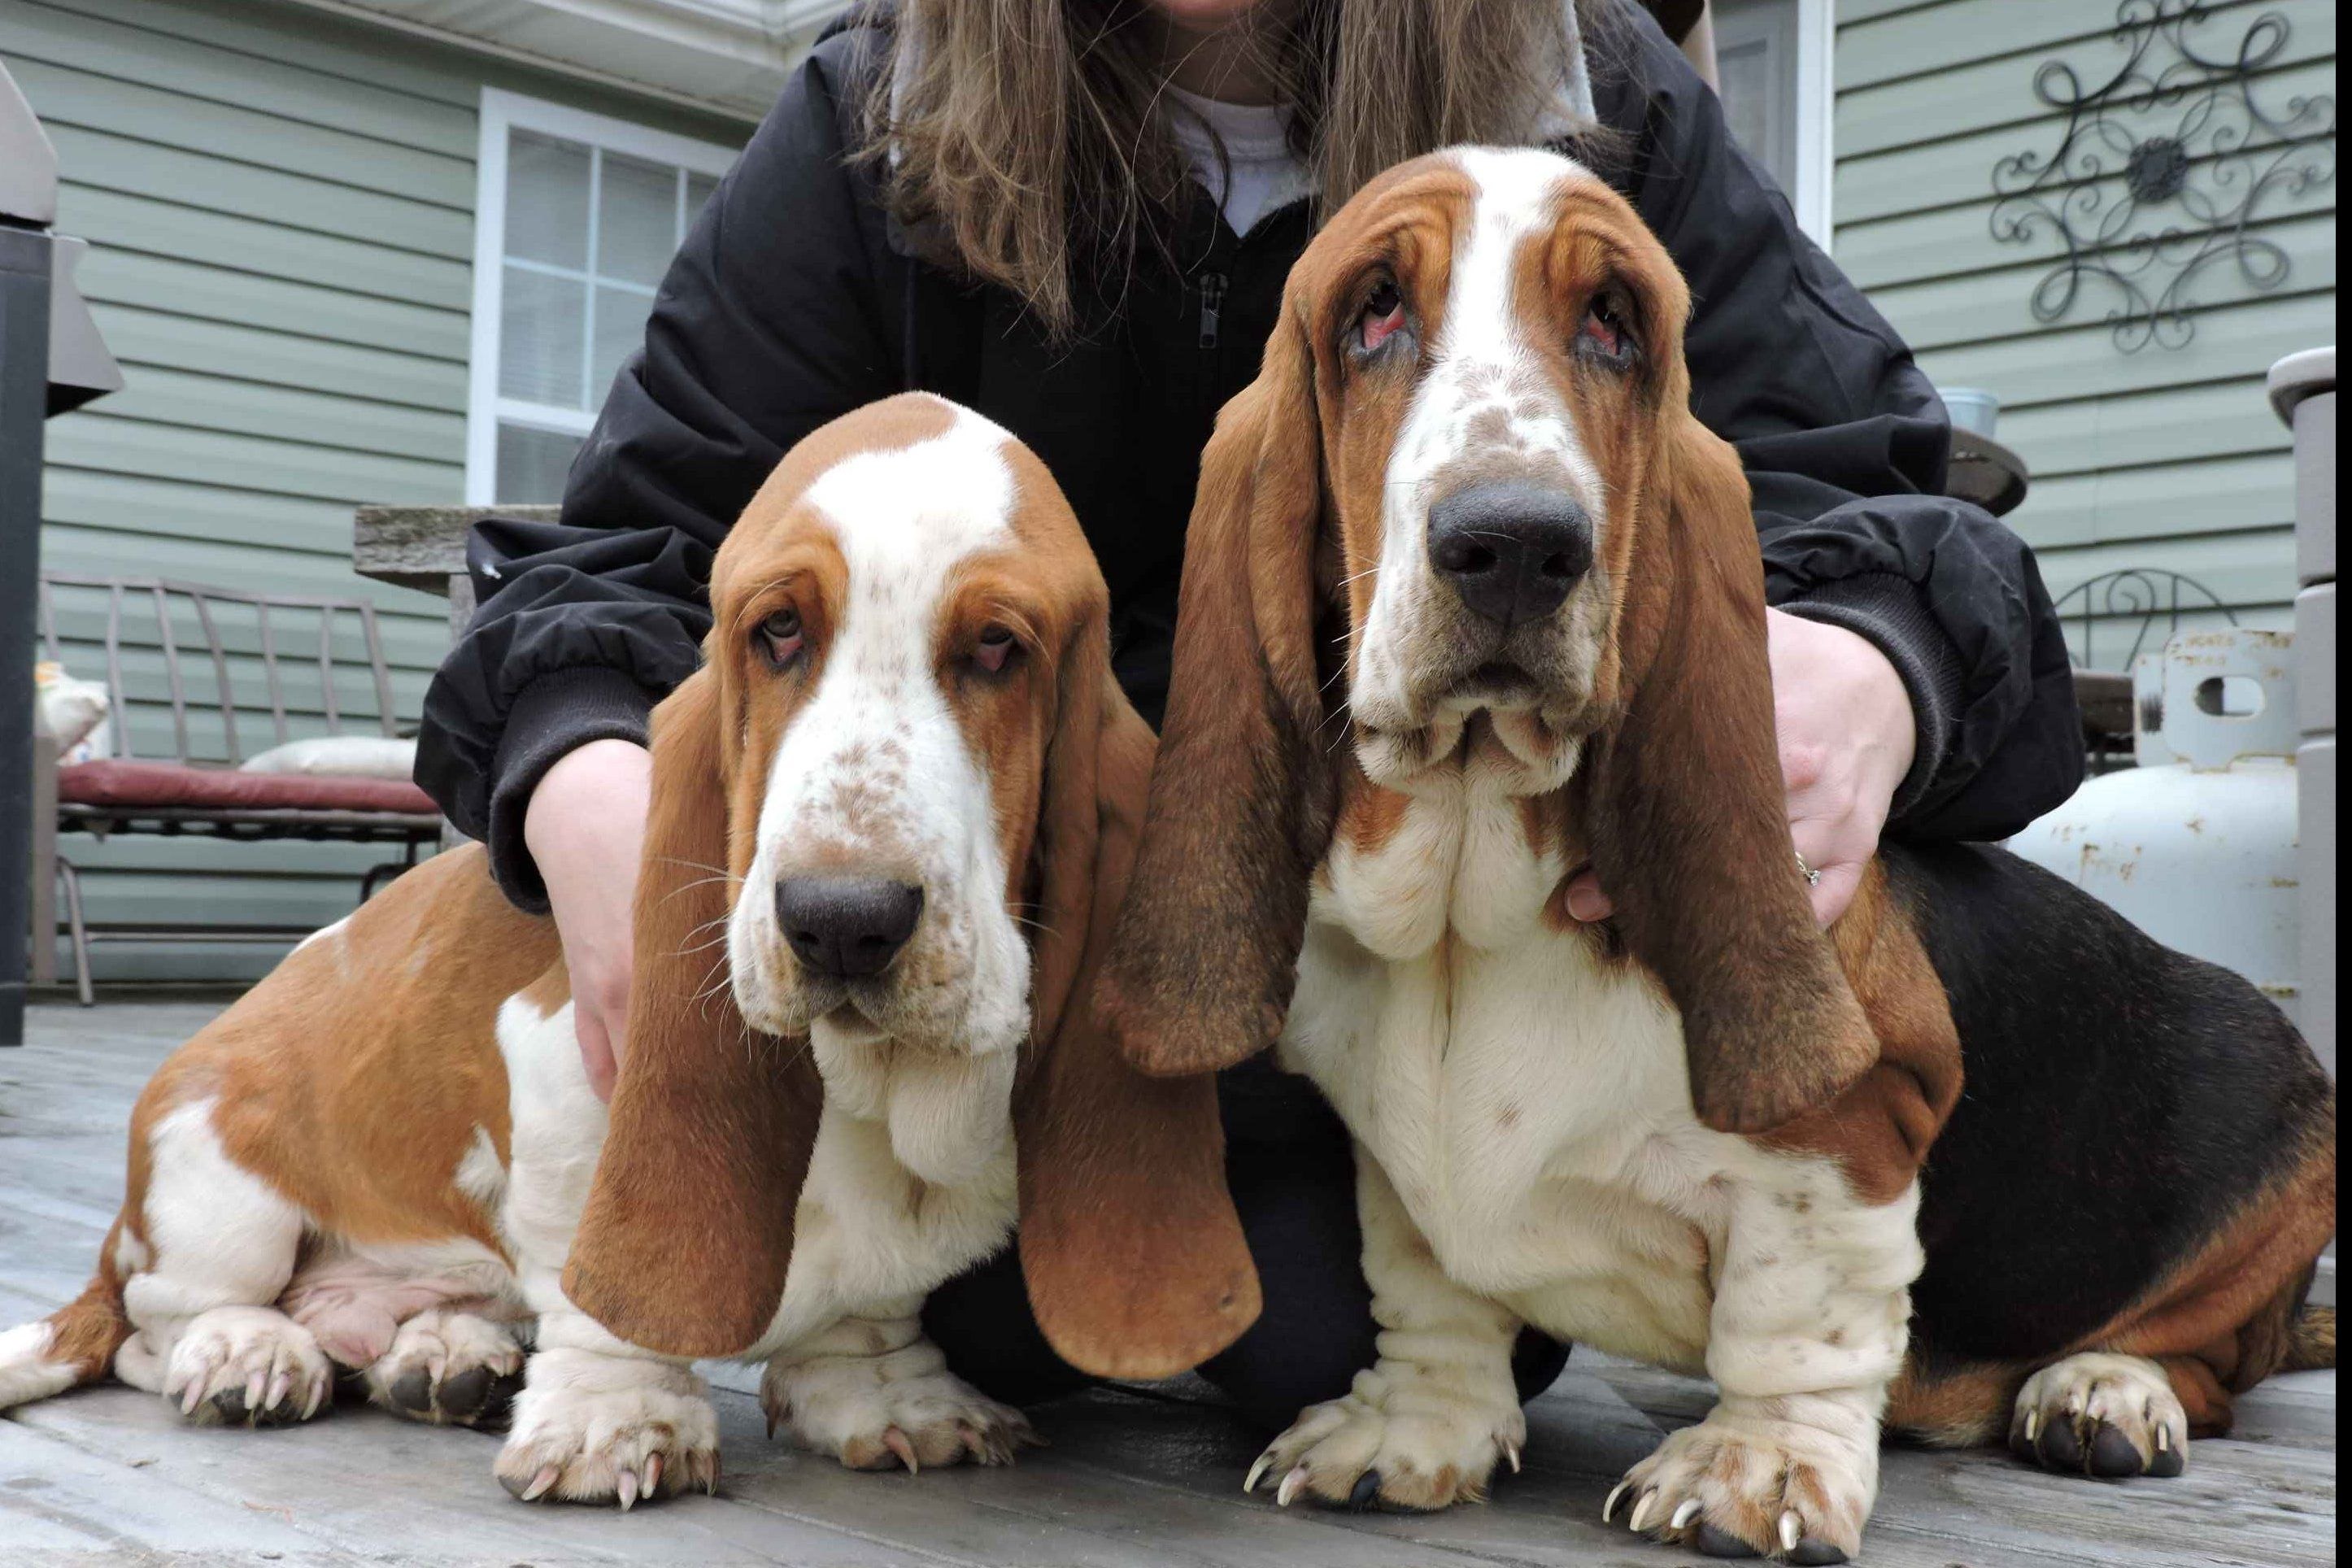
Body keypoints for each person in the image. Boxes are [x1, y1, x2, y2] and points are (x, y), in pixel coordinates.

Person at [416, 0, 2083, 1430]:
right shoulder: (880, 113)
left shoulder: (1589, 83)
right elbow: (632, 552)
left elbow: (1873, 491)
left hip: (1436, 1016)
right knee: (1009, 1313)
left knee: (1316, 1333)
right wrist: (579, 778)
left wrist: (1875, 663)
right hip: (1021, 1016)